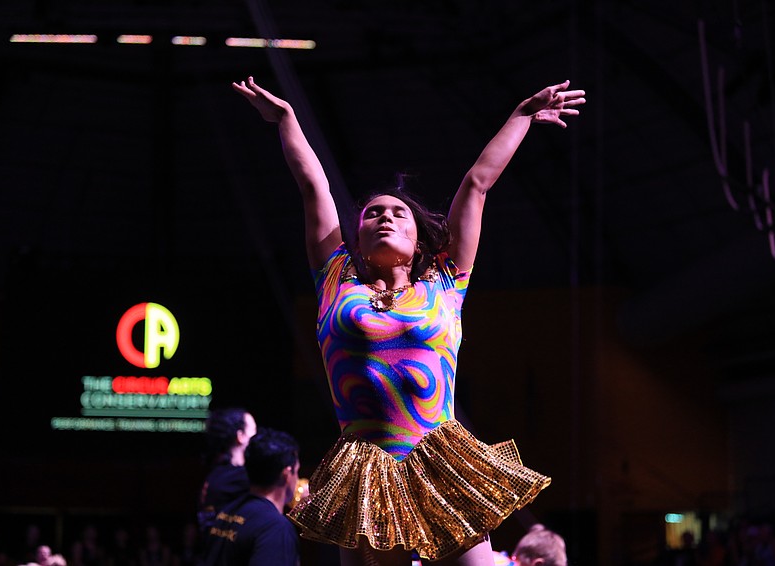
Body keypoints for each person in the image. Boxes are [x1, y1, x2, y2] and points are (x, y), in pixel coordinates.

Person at [232, 74, 585, 565]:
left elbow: (477, 184)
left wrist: (521, 117)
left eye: (399, 213)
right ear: (356, 238)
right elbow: (313, 186)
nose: (385, 217)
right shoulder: (335, 278)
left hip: (440, 459)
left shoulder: (444, 282)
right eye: (372, 213)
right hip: (365, 472)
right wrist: (287, 120)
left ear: (419, 242)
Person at [203, 428, 301, 566]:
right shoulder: (276, 528)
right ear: (286, 474)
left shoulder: (226, 512)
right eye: (297, 472)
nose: (297, 479)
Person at [197, 408, 257, 540]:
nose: (258, 437)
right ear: (240, 436)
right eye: (254, 431)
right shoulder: (238, 478)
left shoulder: (219, 473)